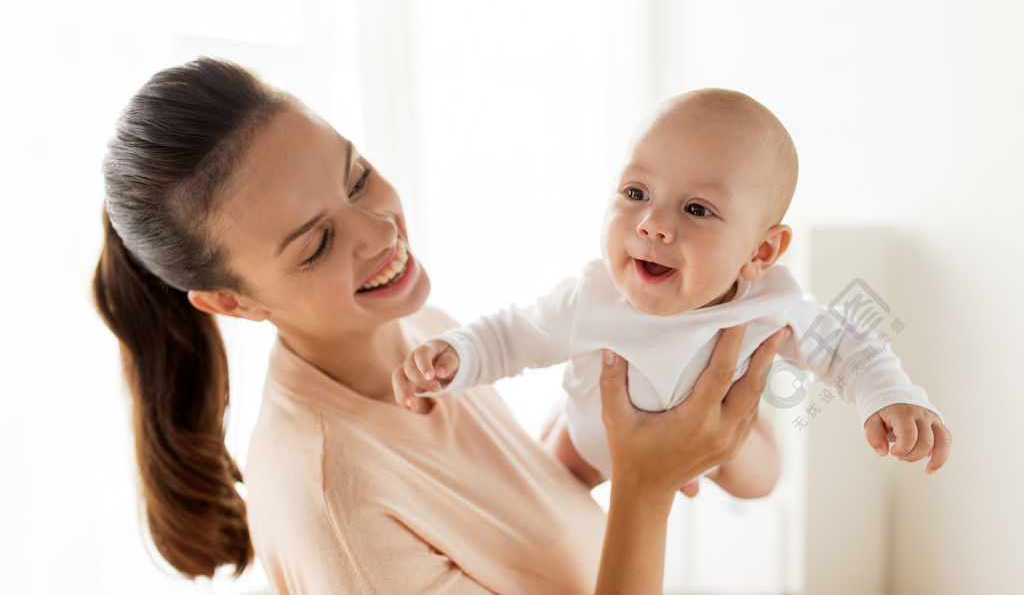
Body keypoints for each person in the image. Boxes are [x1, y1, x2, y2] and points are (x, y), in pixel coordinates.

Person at [92, 57, 792, 594]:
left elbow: (520, 516)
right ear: (234, 303)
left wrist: (629, 408)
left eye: (357, 176)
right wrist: (647, 485)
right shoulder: (336, 506)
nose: (379, 232)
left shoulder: (420, 329)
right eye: (315, 244)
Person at [394, 89, 952, 496]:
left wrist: (891, 397)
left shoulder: (770, 306)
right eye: (636, 192)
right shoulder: (593, 295)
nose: (652, 225)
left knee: (759, 477)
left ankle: (735, 439)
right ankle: (557, 434)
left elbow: (851, 349)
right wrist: (458, 355)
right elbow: (515, 335)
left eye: (696, 209)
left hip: (709, 448)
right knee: (545, 488)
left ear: (759, 253)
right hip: (593, 442)